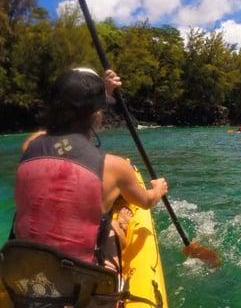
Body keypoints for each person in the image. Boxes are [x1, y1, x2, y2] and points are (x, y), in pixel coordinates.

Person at [11, 68, 169, 275]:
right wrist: (158, 189)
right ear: (96, 114)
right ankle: (119, 223)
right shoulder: (115, 167)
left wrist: (103, 94)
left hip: (24, 275)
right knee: (112, 230)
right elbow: (146, 202)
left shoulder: (29, 146)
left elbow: (50, 132)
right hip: (81, 286)